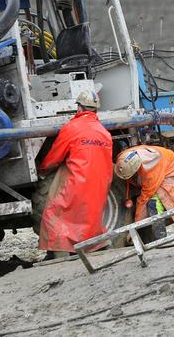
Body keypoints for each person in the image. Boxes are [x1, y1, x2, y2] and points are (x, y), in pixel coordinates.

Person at [37, 90, 112, 258]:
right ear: (95, 110)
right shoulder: (104, 133)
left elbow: (55, 156)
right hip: (99, 183)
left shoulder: (72, 128)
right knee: (90, 218)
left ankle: (59, 253)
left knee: (54, 214)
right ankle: (99, 245)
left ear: (79, 108)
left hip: (76, 181)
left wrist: (43, 169)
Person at [113, 145, 174, 237]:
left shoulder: (151, 171)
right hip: (165, 166)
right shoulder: (123, 158)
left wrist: (136, 227)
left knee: (171, 203)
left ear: (138, 167)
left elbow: (144, 199)